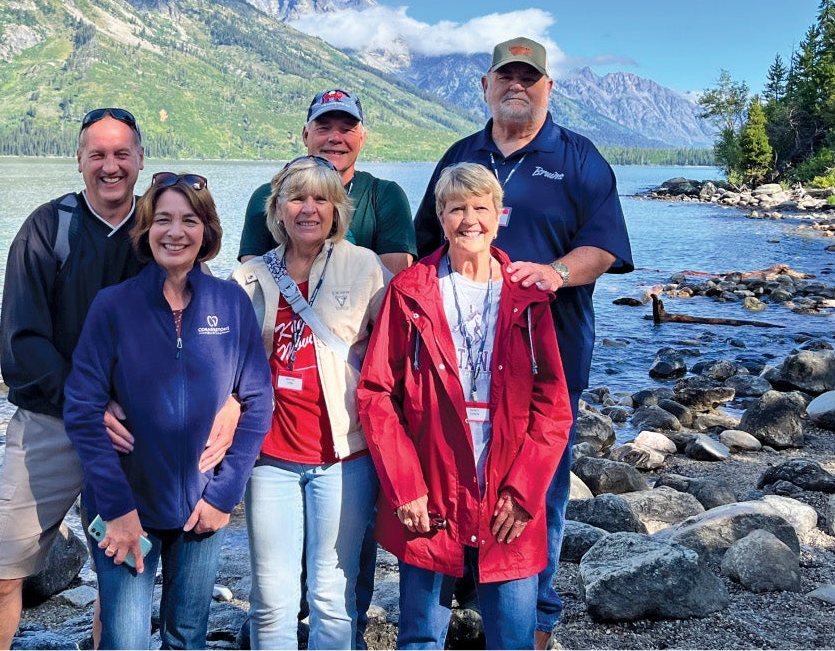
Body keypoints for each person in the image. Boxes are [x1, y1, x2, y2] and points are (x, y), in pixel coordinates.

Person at [0, 109, 239, 650]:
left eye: (122, 154)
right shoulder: (49, 229)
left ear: (140, 160)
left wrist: (232, 398)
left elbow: (206, 334)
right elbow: (20, 344)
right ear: (79, 161)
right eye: (97, 154)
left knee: (117, 573)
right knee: (4, 567)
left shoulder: (160, 231)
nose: (110, 166)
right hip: (51, 425)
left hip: (137, 437)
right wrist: (88, 406)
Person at [412, 38, 634, 649]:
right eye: (505, 76)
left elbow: (607, 245)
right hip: (460, 365)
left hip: (549, 358)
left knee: (540, 488)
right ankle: (462, 600)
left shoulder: (579, 157)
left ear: (548, 87)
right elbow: (428, 243)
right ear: (485, 86)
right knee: (454, 475)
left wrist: (557, 272)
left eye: (528, 78)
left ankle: (533, 620)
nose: (517, 86)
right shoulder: (461, 155)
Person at [358, 163, 571, 650]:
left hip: (508, 493)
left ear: (500, 215)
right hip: (429, 490)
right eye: (456, 208)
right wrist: (405, 487)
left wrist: (524, 493)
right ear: (441, 215)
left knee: (512, 639)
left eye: (480, 207)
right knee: (418, 638)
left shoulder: (527, 296)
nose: (469, 219)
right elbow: (376, 394)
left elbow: (553, 405)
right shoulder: (409, 292)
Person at [64, 172, 274, 650]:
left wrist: (224, 495)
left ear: (207, 231)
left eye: (189, 220)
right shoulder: (113, 306)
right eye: (163, 220)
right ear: (146, 229)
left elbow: (259, 401)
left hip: (201, 508)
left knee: (187, 637)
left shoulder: (231, 303)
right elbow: (82, 408)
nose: (175, 232)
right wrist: (117, 511)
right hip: (125, 507)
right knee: (128, 640)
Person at [231, 156, 389, 649]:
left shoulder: (364, 267)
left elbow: (392, 353)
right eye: (297, 197)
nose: (309, 209)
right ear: (277, 209)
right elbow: (224, 366)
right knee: (272, 598)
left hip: (344, 456)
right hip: (269, 457)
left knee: (331, 594)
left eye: (321, 198)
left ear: (337, 208)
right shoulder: (250, 277)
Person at [239, 88, 416, 275]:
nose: (335, 138)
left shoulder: (385, 196)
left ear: (362, 139)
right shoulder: (268, 196)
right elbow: (252, 283)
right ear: (306, 135)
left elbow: (394, 285)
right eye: (324, 128)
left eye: (346, 130)